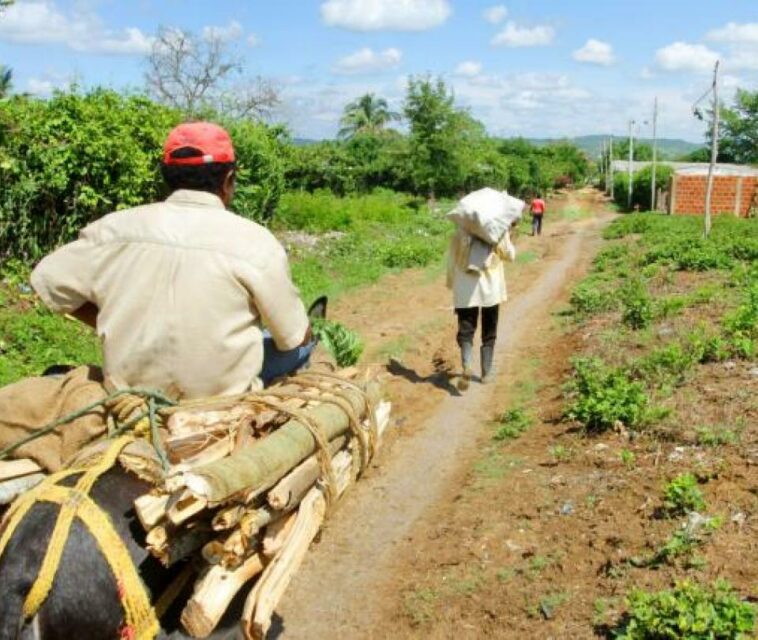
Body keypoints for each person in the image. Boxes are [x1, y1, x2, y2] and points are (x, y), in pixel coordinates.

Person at [30, 122, 313, 400]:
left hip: (129, 393)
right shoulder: (256, 242)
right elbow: (294, 337)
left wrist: (112, 320)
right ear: (228, 180)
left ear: (167, 176)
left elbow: (47, 280)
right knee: (303, 347)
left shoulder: (112, 230)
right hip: (219, 401)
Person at [447, 221, 518, 390]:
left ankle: (467, 364)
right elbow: (510, 255)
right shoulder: (498, 230)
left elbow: (451, 260)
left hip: (465, 288)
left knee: (466, 327)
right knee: (489, 329)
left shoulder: (461, 230)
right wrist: (507, 235)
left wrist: (452, 284)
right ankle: (486, 373)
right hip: (490, 288)